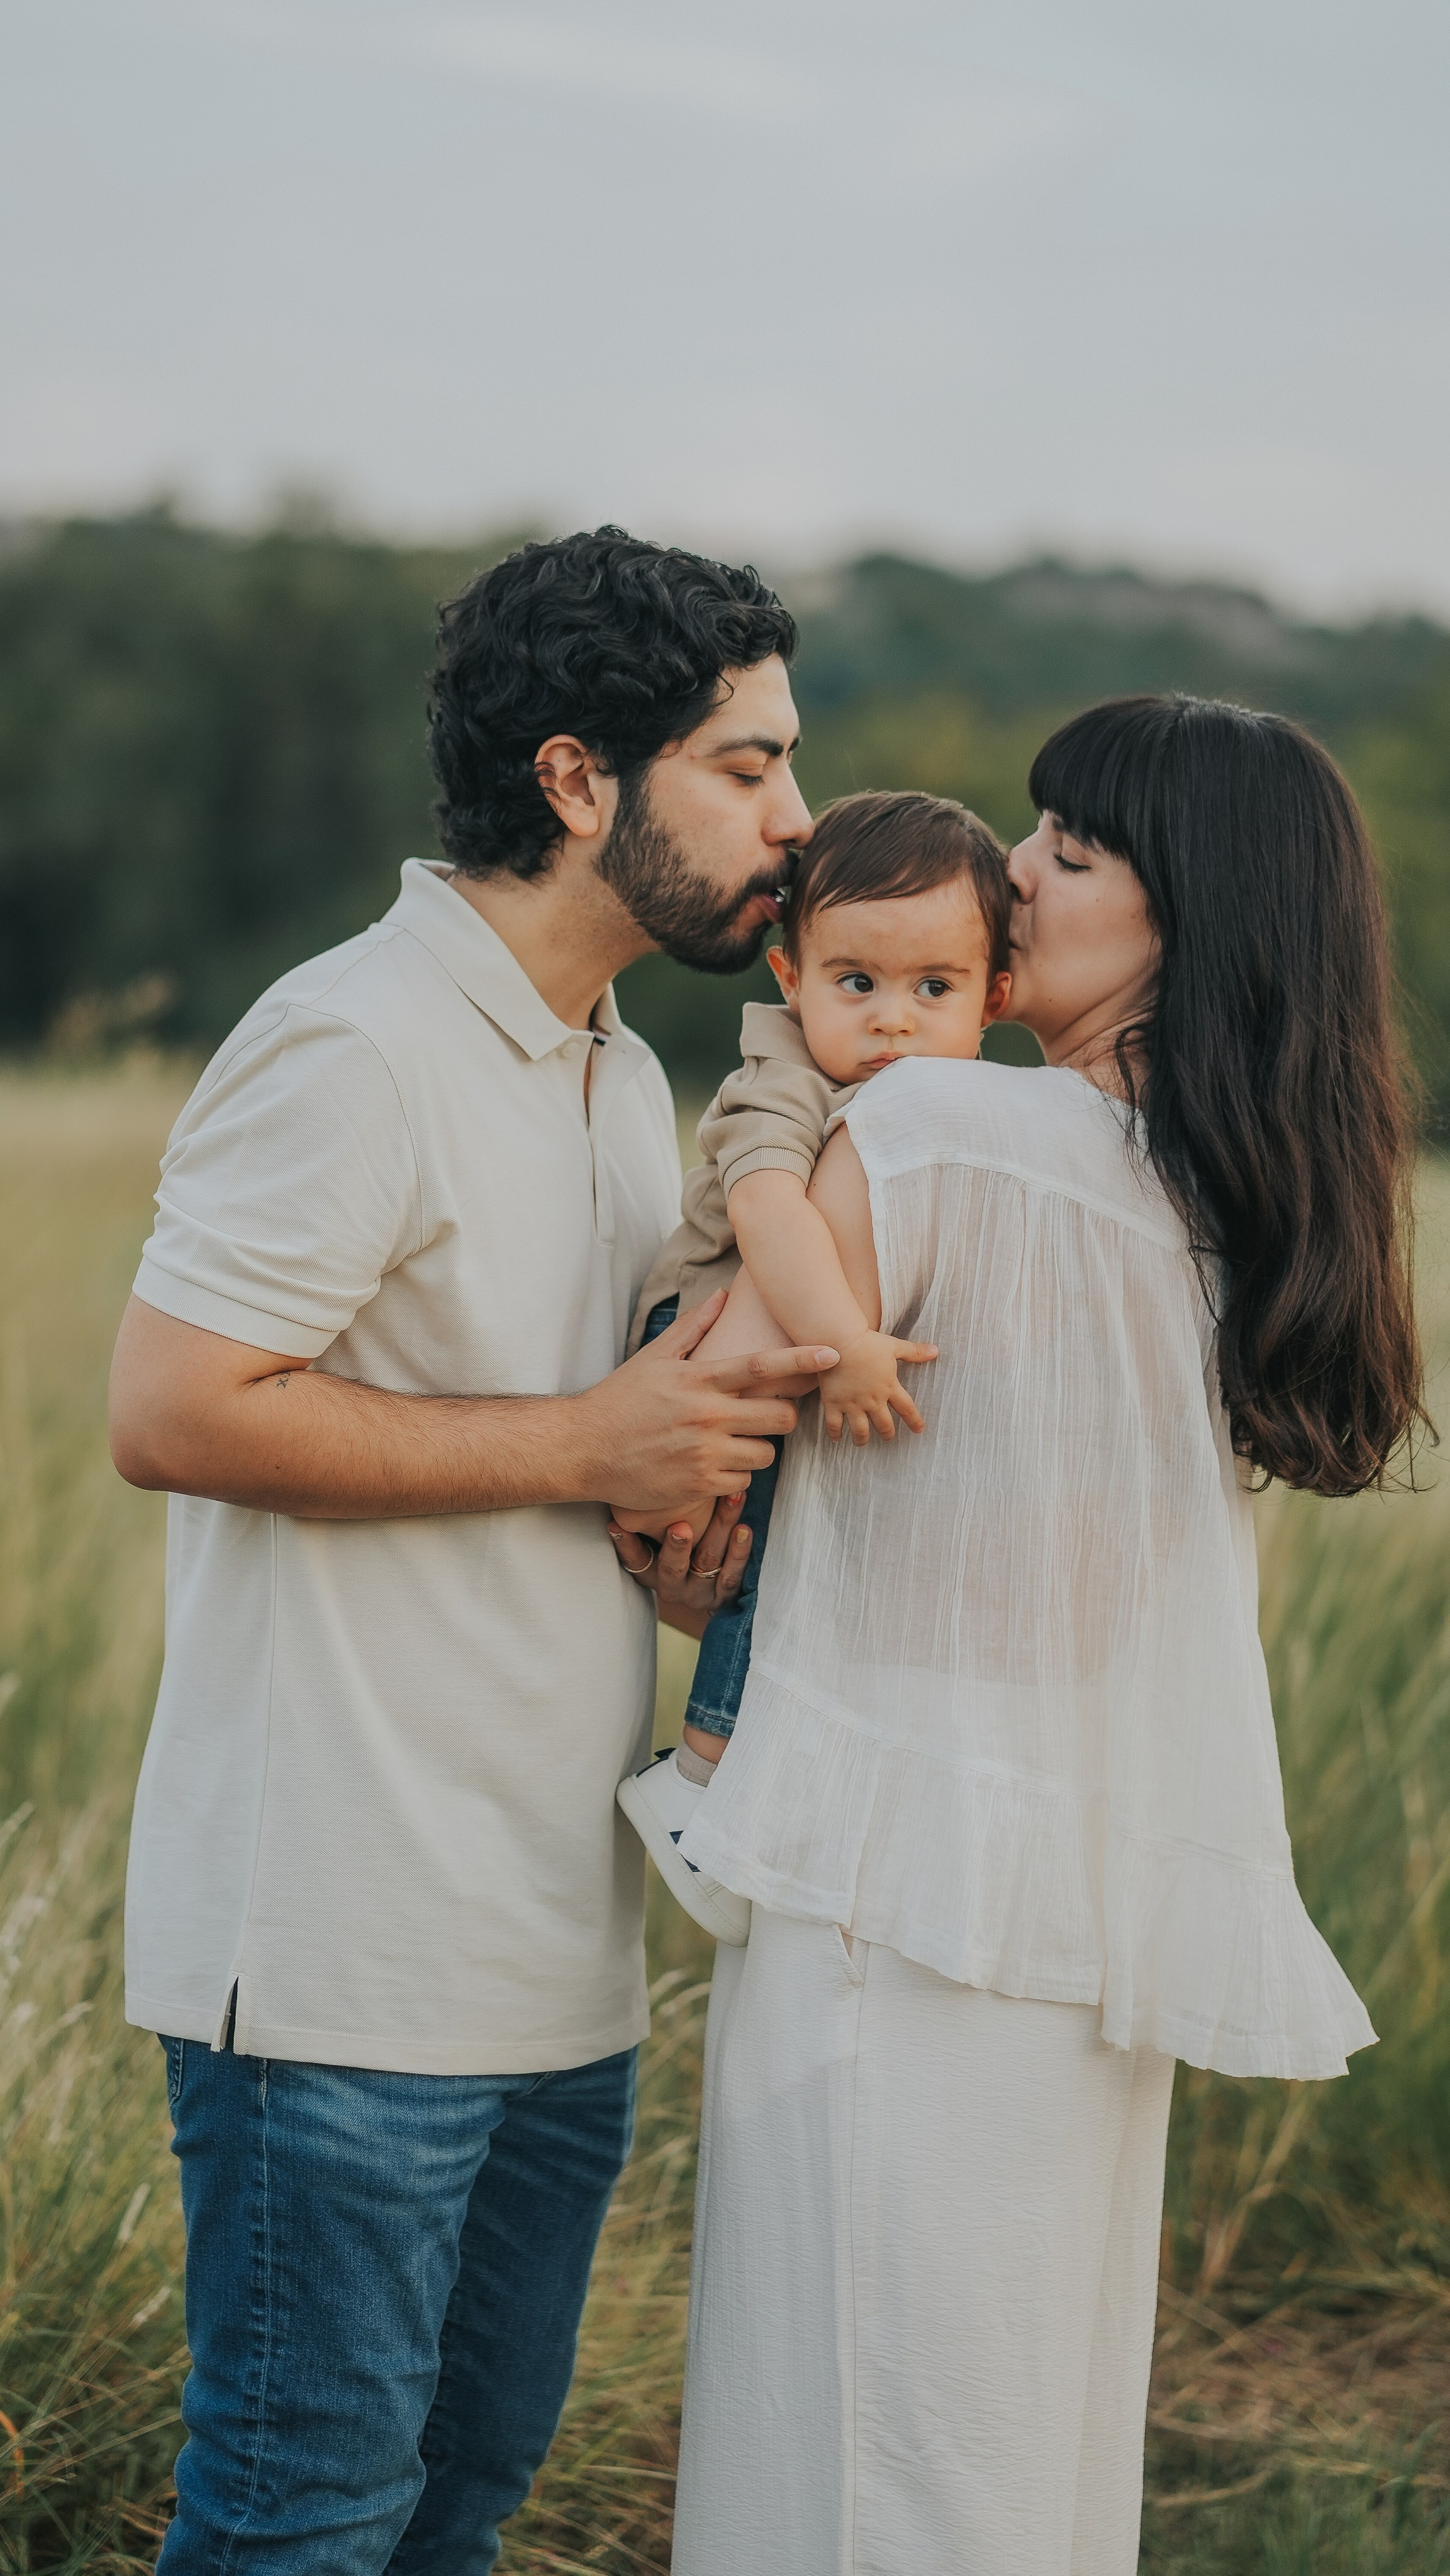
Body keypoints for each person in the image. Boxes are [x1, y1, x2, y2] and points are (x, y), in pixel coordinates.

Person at [613, 695, 1428, 2576]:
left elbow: (686, 1424)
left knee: (841, 2455)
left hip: (887, 1903)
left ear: (1186, 912)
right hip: (1078, 1914)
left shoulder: (940, 1131)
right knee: (1015, 2468)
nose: (1015, 867)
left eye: (1072, 847)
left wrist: (684, 1548)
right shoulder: (1243, 1210)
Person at [106, 526, 842, 2576]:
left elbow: (555, 1460)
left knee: (457, 2506)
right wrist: (580, 1437)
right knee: (301, 2519)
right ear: (572, 775)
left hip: (554, 1952)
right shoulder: (356, 1042)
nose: (794, 817)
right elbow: (170, 1410)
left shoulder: (618, 1070)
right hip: (345, 1961)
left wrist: (662, 1527)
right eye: (744, 763)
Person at [613, 791, 1012, 1941]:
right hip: (696, 1350)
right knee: (770, 1554)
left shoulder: (951, 1101)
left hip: (794, 1347)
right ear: (790, 982)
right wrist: (841, 1352)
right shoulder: (780, 1080)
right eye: (856, 985)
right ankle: (701, 1778)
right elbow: (770, 1212)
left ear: (990, 998)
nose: (891, 1021)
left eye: (931, 990)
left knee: (795, 1555)